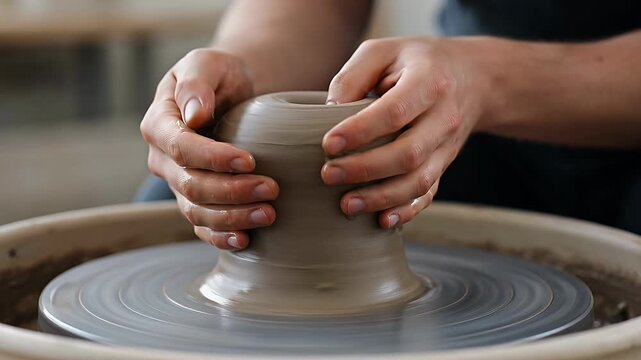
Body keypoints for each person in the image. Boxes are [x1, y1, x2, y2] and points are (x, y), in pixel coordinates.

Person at [138, 0, 641, 250]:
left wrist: (487, 78)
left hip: (531, 92)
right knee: (196, 205)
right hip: (467, 113)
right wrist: (241, 78)